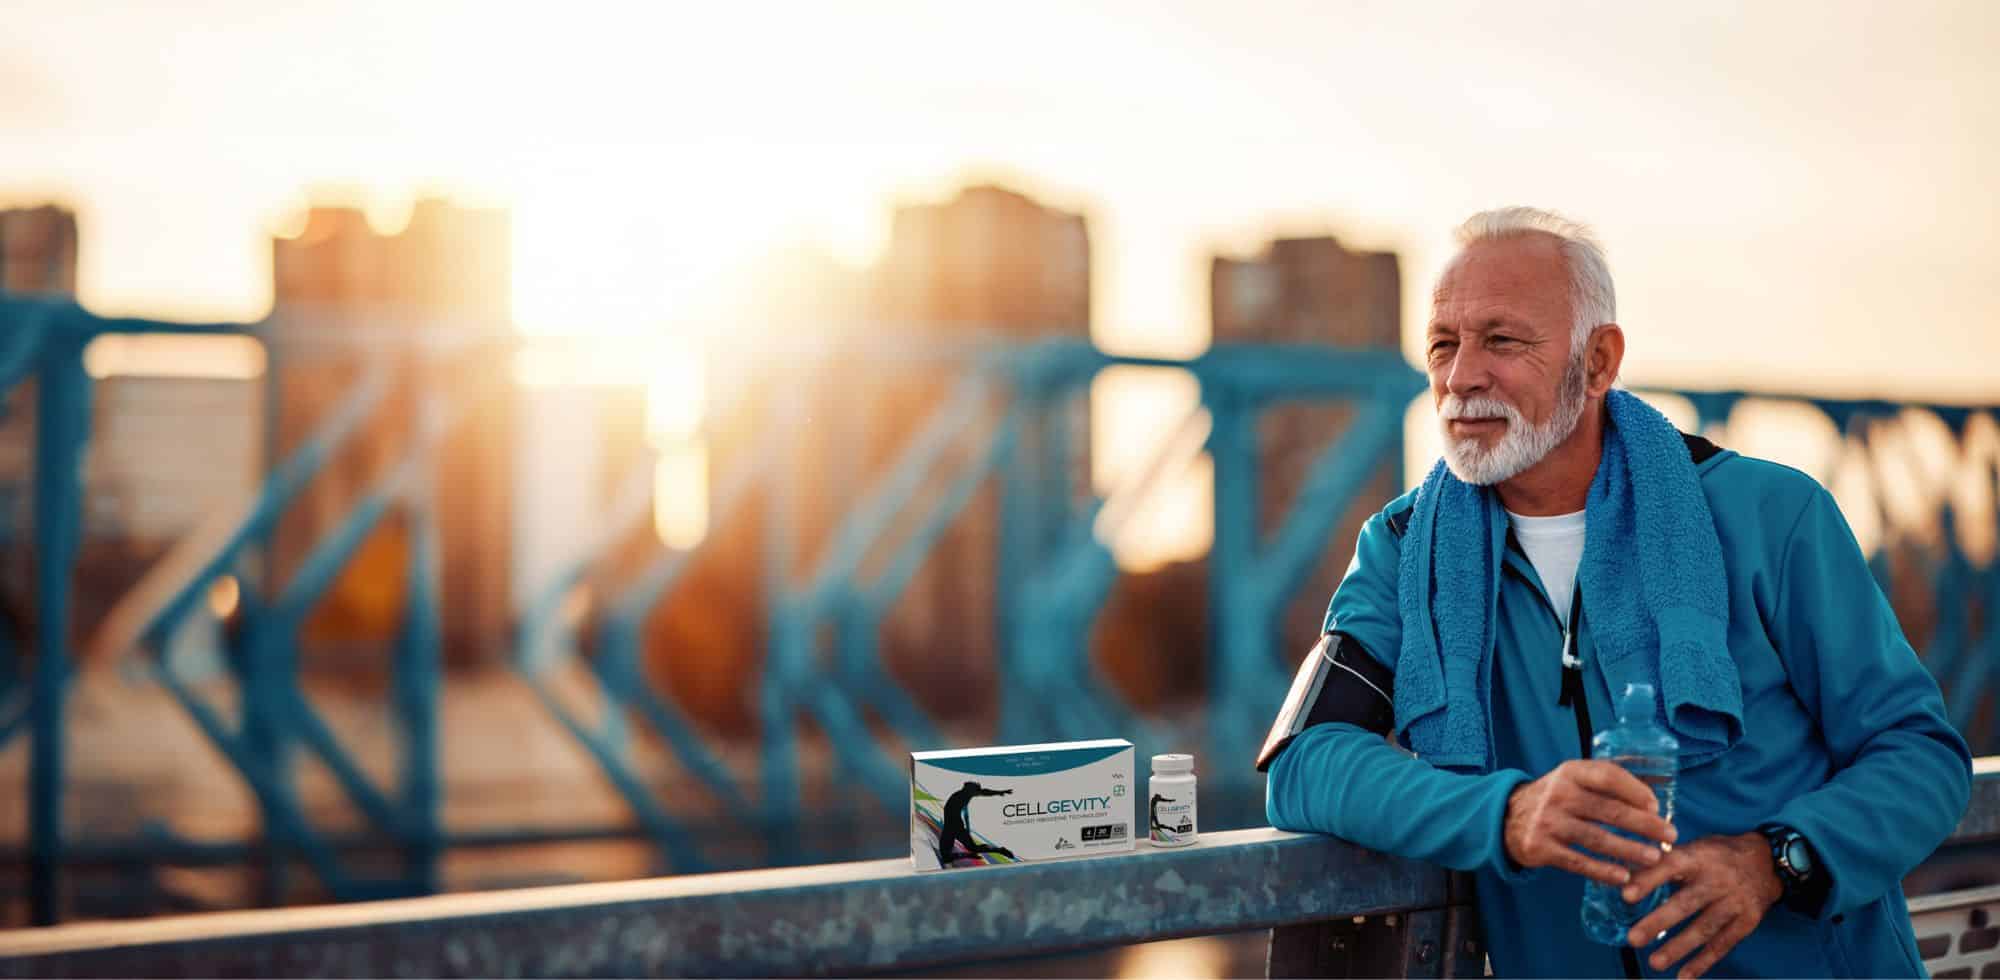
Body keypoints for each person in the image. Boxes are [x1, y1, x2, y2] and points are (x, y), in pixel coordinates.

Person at [1258, 207, 1971, 978]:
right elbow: (1303, 763)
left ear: (1597, 362)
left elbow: (1921, 754)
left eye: (1502, 340)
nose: (1462, 376)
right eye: (1443, 345)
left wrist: (1778, 862)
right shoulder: (1402, 551)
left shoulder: (1774, 516)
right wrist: (1506, 815)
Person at [938, 781, 1015, 867]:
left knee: (971, 848)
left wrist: (999, 792)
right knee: (947, 852)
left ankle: (1000, 850)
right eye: (976, 792)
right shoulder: (961, 796)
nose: (977, 794)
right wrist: (999, 792)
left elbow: (983, 793)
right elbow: (984, 792)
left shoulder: (966, 795)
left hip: (955, 826)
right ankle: (963, 856)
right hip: (952, 826)